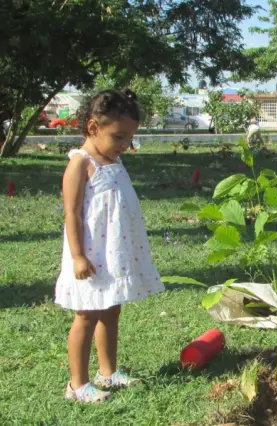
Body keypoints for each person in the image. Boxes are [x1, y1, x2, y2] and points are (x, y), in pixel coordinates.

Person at [55, 89, 164, 403]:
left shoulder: (113, 160)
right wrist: (77, 256)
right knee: (86, 315)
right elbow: (72, 213)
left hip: (112, 255)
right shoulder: (80, 164)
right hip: (90, 257)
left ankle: (108, 372)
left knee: (111, 311)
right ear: (93, 128)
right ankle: (77, 384)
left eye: (129, 138)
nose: (124, 146)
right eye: (118, 137)